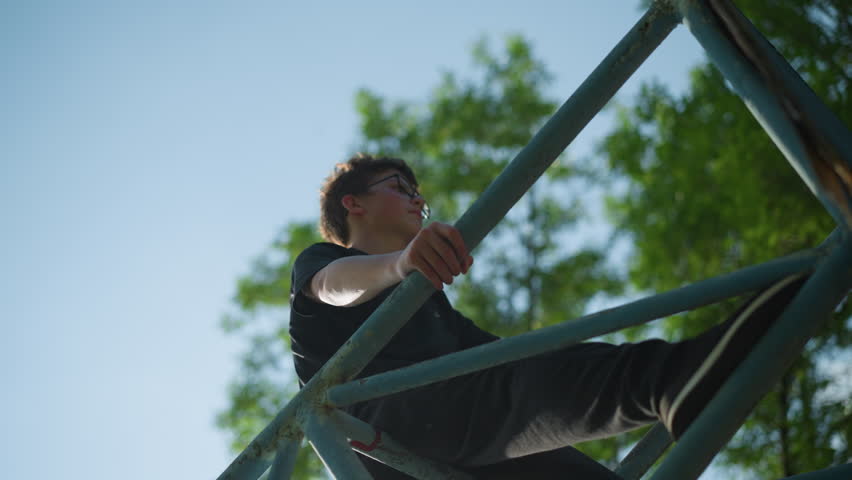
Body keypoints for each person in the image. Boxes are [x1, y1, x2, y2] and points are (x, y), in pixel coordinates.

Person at [288, 154, 808, 479]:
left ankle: (674, 377)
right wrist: (401, 263)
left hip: (450, 441)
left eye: (418, 195)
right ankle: (669, 379)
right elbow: (333, 287)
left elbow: (501, 358)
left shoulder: (431, 307)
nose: (416, 198)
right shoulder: (324, 264)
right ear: (353, 204)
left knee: (542, 407)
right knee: (512, 387)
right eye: (399, 186)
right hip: (385, 438)